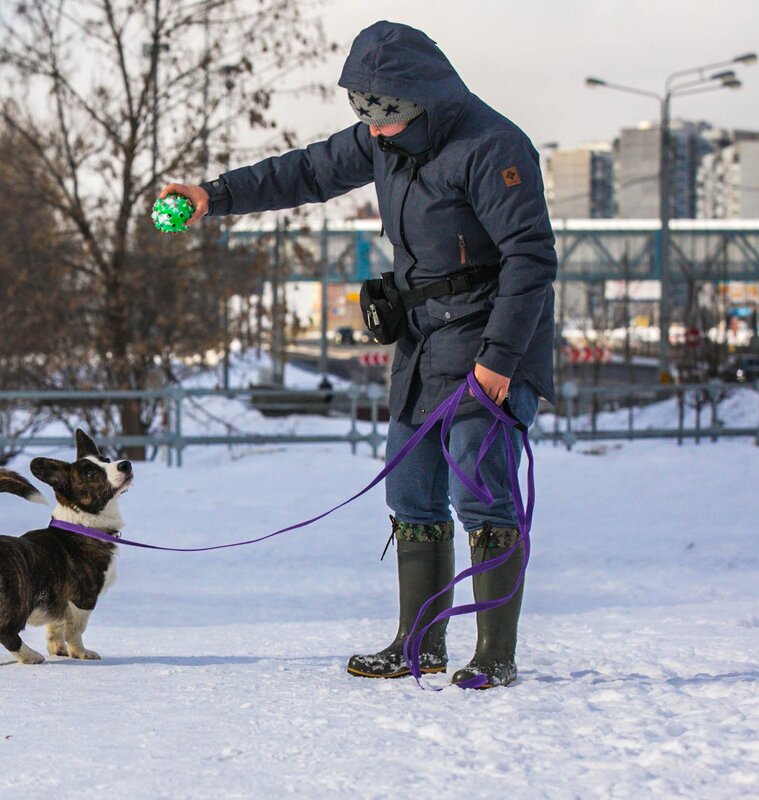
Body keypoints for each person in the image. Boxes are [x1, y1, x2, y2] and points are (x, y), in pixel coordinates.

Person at [159, 21, 557, 688]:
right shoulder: (384, 141)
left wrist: (498, 360)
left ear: (424, 98)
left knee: (479, 485)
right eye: (363, 112)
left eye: (386, 114)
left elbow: (531, 259)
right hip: (422, 336)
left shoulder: (493, 146)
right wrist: (214, 196)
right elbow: (305, 171)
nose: (373, 129)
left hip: (487, 335)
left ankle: (495, 654)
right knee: (410, 489)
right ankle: (418, 644)